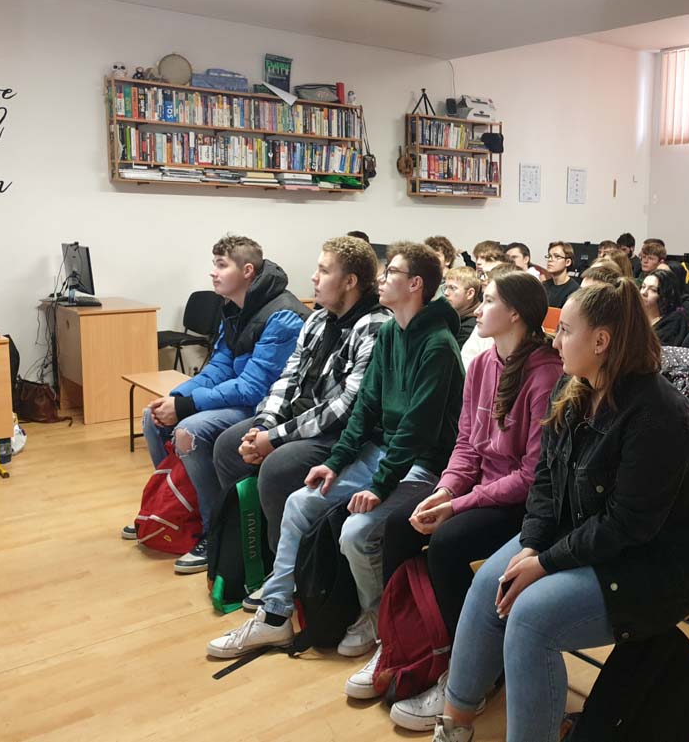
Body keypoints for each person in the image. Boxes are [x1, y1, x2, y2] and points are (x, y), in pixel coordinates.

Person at [430, 278, 689, 742]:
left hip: (658, 565)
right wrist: (531, 546)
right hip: (589, 534)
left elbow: (629, 526)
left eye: (565, 330)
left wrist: (545, 562)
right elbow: (546, 482)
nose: (554, 341)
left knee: (530, 620)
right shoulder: (574, 386)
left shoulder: (658, 415)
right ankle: (455, 721)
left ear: (601, 341)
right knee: (489, 583)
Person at [206, 242, 464, 659]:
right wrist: (335, 462)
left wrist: (379, 486)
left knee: (356, 532)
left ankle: (377, 619)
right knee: (299, 503)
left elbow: (417, 431)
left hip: (422, 465)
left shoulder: (438, 345)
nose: (382, 280)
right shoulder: (391, 334)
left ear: (415, 284)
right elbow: (364, 410)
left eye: (391, 273)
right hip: (382, 453)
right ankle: (275, 615)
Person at [350, 270, 565, 730]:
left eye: (488, 301)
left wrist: (458, 505)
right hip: (479, 489)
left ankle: (471, 671)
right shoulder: (484, 363)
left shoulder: (545, 373)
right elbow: (466, 445)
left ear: (515, 314)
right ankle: (404, 645)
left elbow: (530, 476)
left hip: (520, 504)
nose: (477, 309)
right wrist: (445, 490)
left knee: (447, 544)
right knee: (400, 526)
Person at [129, 235, 307, 573]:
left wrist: (186, 408)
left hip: (268, 406)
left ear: (247, 271)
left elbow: (254, 388)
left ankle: (214, 532)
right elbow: (219, 368)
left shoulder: (283, 316)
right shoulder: (235, 308)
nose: (213, 272)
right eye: (214, 264)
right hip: (242, 396)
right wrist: (177, 398)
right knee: (153, 416)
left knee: (190, 430)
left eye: (221, 265)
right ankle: (176, 508)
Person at [212, 236, 391, 554]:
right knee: (228, 445)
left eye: (324, 270)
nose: (313, 277)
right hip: (298, 420)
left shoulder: (375, 326)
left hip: (340, 433)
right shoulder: (319, 319)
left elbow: (345, 407)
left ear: (350, 282)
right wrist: (265, 424)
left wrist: (274, 439)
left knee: (278, 467)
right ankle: (247, 550)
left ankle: (284, 565)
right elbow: (289, 377)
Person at [640, 269, 689, 346]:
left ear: (666, 296)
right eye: (643, 287)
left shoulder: (674, 322)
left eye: (653, 290)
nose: (643, 293)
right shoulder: (636, 315)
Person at [443, 267, 483, 347]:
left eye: (452, 288)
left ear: (470, 294)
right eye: (445, 287)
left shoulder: (471, 328)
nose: (446, 293)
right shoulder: (453, 316)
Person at [541, 241, 580, 309]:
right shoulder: (544, 286)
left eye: (557, 256)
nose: (550, 260)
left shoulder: (574, 290)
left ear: (567, 262)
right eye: (549, 256)